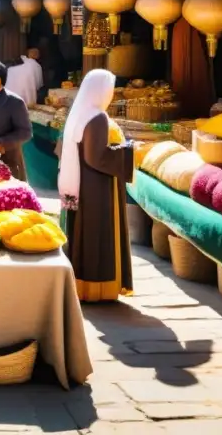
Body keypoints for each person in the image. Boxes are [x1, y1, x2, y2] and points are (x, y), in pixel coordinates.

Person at [58, 69, 134, 303]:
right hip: (97, 186)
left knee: (84, 233)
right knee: (98, 235)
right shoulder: (97, 117)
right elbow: (97, 157)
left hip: (81, 182)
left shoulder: (80, 114)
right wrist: (128, 150)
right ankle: (99, 288)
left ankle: (81, 285)